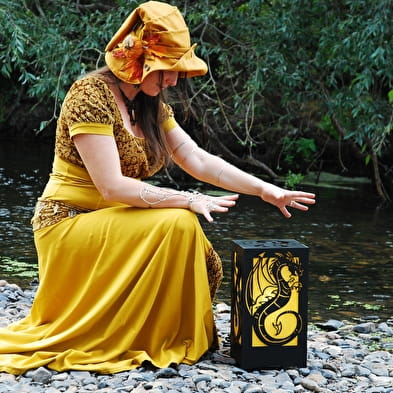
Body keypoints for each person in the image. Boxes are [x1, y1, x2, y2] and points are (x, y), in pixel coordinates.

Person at [0, 1, 315, 374]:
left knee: (181, 224)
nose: (174, 80)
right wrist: (189, 199)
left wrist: (266, 190)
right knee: (178, 221)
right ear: (137, 63)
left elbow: (196, 159)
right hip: (69, 222)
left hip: (114, 222)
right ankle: (153, 333)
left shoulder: (149, 105)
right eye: (168, 70)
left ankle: (160, 333)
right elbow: (113, 186)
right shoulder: (89, 95)